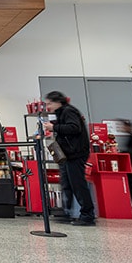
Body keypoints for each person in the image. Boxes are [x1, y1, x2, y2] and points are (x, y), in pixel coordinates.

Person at [42, 91, 95, 226]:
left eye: (50, 103)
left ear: (58, 102)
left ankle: (87, 215)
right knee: (66, 184)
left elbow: (74, 128)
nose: (48, 106)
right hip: (67, 155)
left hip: (75, 154)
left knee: (78, 184)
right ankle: (66, 212)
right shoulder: (62, 113)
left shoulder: (68, 111)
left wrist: (54, 127)